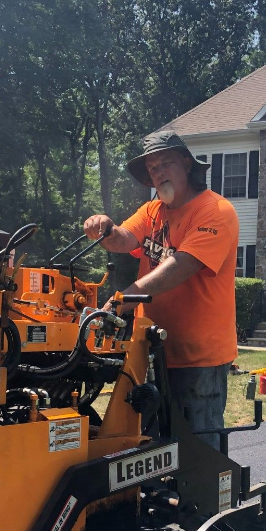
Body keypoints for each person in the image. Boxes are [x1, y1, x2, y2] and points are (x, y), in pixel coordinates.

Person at [83, 130, 239, 444]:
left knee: (197, 452)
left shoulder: (215, 211)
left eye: (165, 163)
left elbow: (182, 265)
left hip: (199, 358)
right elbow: (125, 238)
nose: (159, 173)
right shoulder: (153, 211)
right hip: (153, 350)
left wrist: (121, 301)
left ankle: (208, 495)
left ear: (186, 164)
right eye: (153, 169)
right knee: (155, 446)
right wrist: (106, 227)